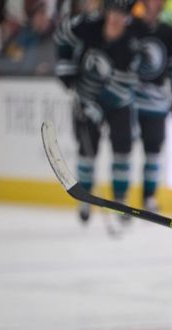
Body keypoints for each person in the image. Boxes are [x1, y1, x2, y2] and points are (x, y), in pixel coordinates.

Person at [55, 0, 140, 226]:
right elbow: (62, 35)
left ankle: (120, 201)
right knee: (86, 150)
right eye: (112, 12)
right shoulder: (87, 25)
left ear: (128, 17)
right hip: (86, 97)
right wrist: (66, 68)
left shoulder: (133, 40)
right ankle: (85, 200)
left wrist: (97, 107)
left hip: (119, 102)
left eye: (121, 15)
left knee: (122, 149)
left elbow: (126, 85)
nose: (115, 18)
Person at [129, 0, 172, 212]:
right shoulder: (131, 27)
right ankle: (121, 196)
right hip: (130, 101)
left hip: (156, 103)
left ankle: (149, 196)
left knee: (153, 149)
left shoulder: (169, 32)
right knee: (124, 148)